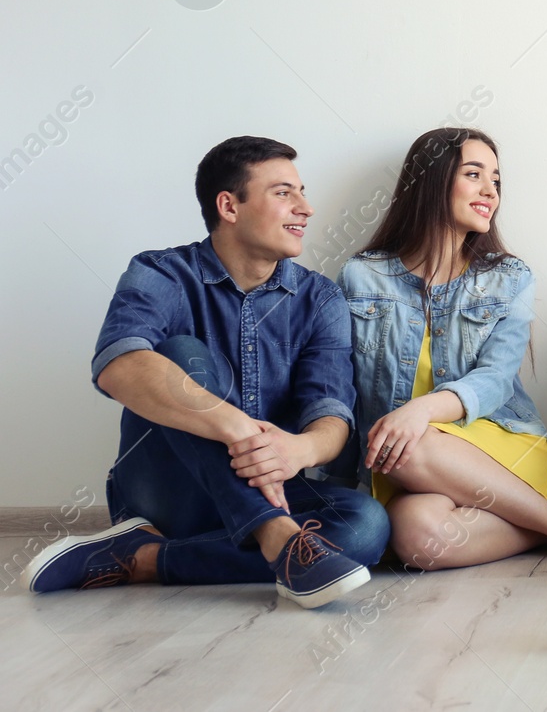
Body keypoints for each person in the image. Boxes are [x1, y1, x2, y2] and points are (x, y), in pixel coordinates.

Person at [24, 137, 387, 608]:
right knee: (178, 353)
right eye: (284, 193)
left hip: (271, 483)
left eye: (302, 192)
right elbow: (117, 364)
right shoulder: (161, 272)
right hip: (169, 494)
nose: (306, 208)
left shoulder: (320, 299)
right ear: (228, 205)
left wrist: (296, 449)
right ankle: (277, 535)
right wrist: (234, 425)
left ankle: (146, 559)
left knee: (367, 526)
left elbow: (332, 414)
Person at [339, 128, 547, 569]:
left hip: (499, 443)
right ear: (432, 181)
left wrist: (422, 411)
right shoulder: (362, 277)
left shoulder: (509, 277)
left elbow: (495, 380)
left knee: (410, 441)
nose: (490, 190)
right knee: (416, 537)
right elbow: (340, 386)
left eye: (495, 179)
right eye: (474, 174)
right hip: (403, 462)